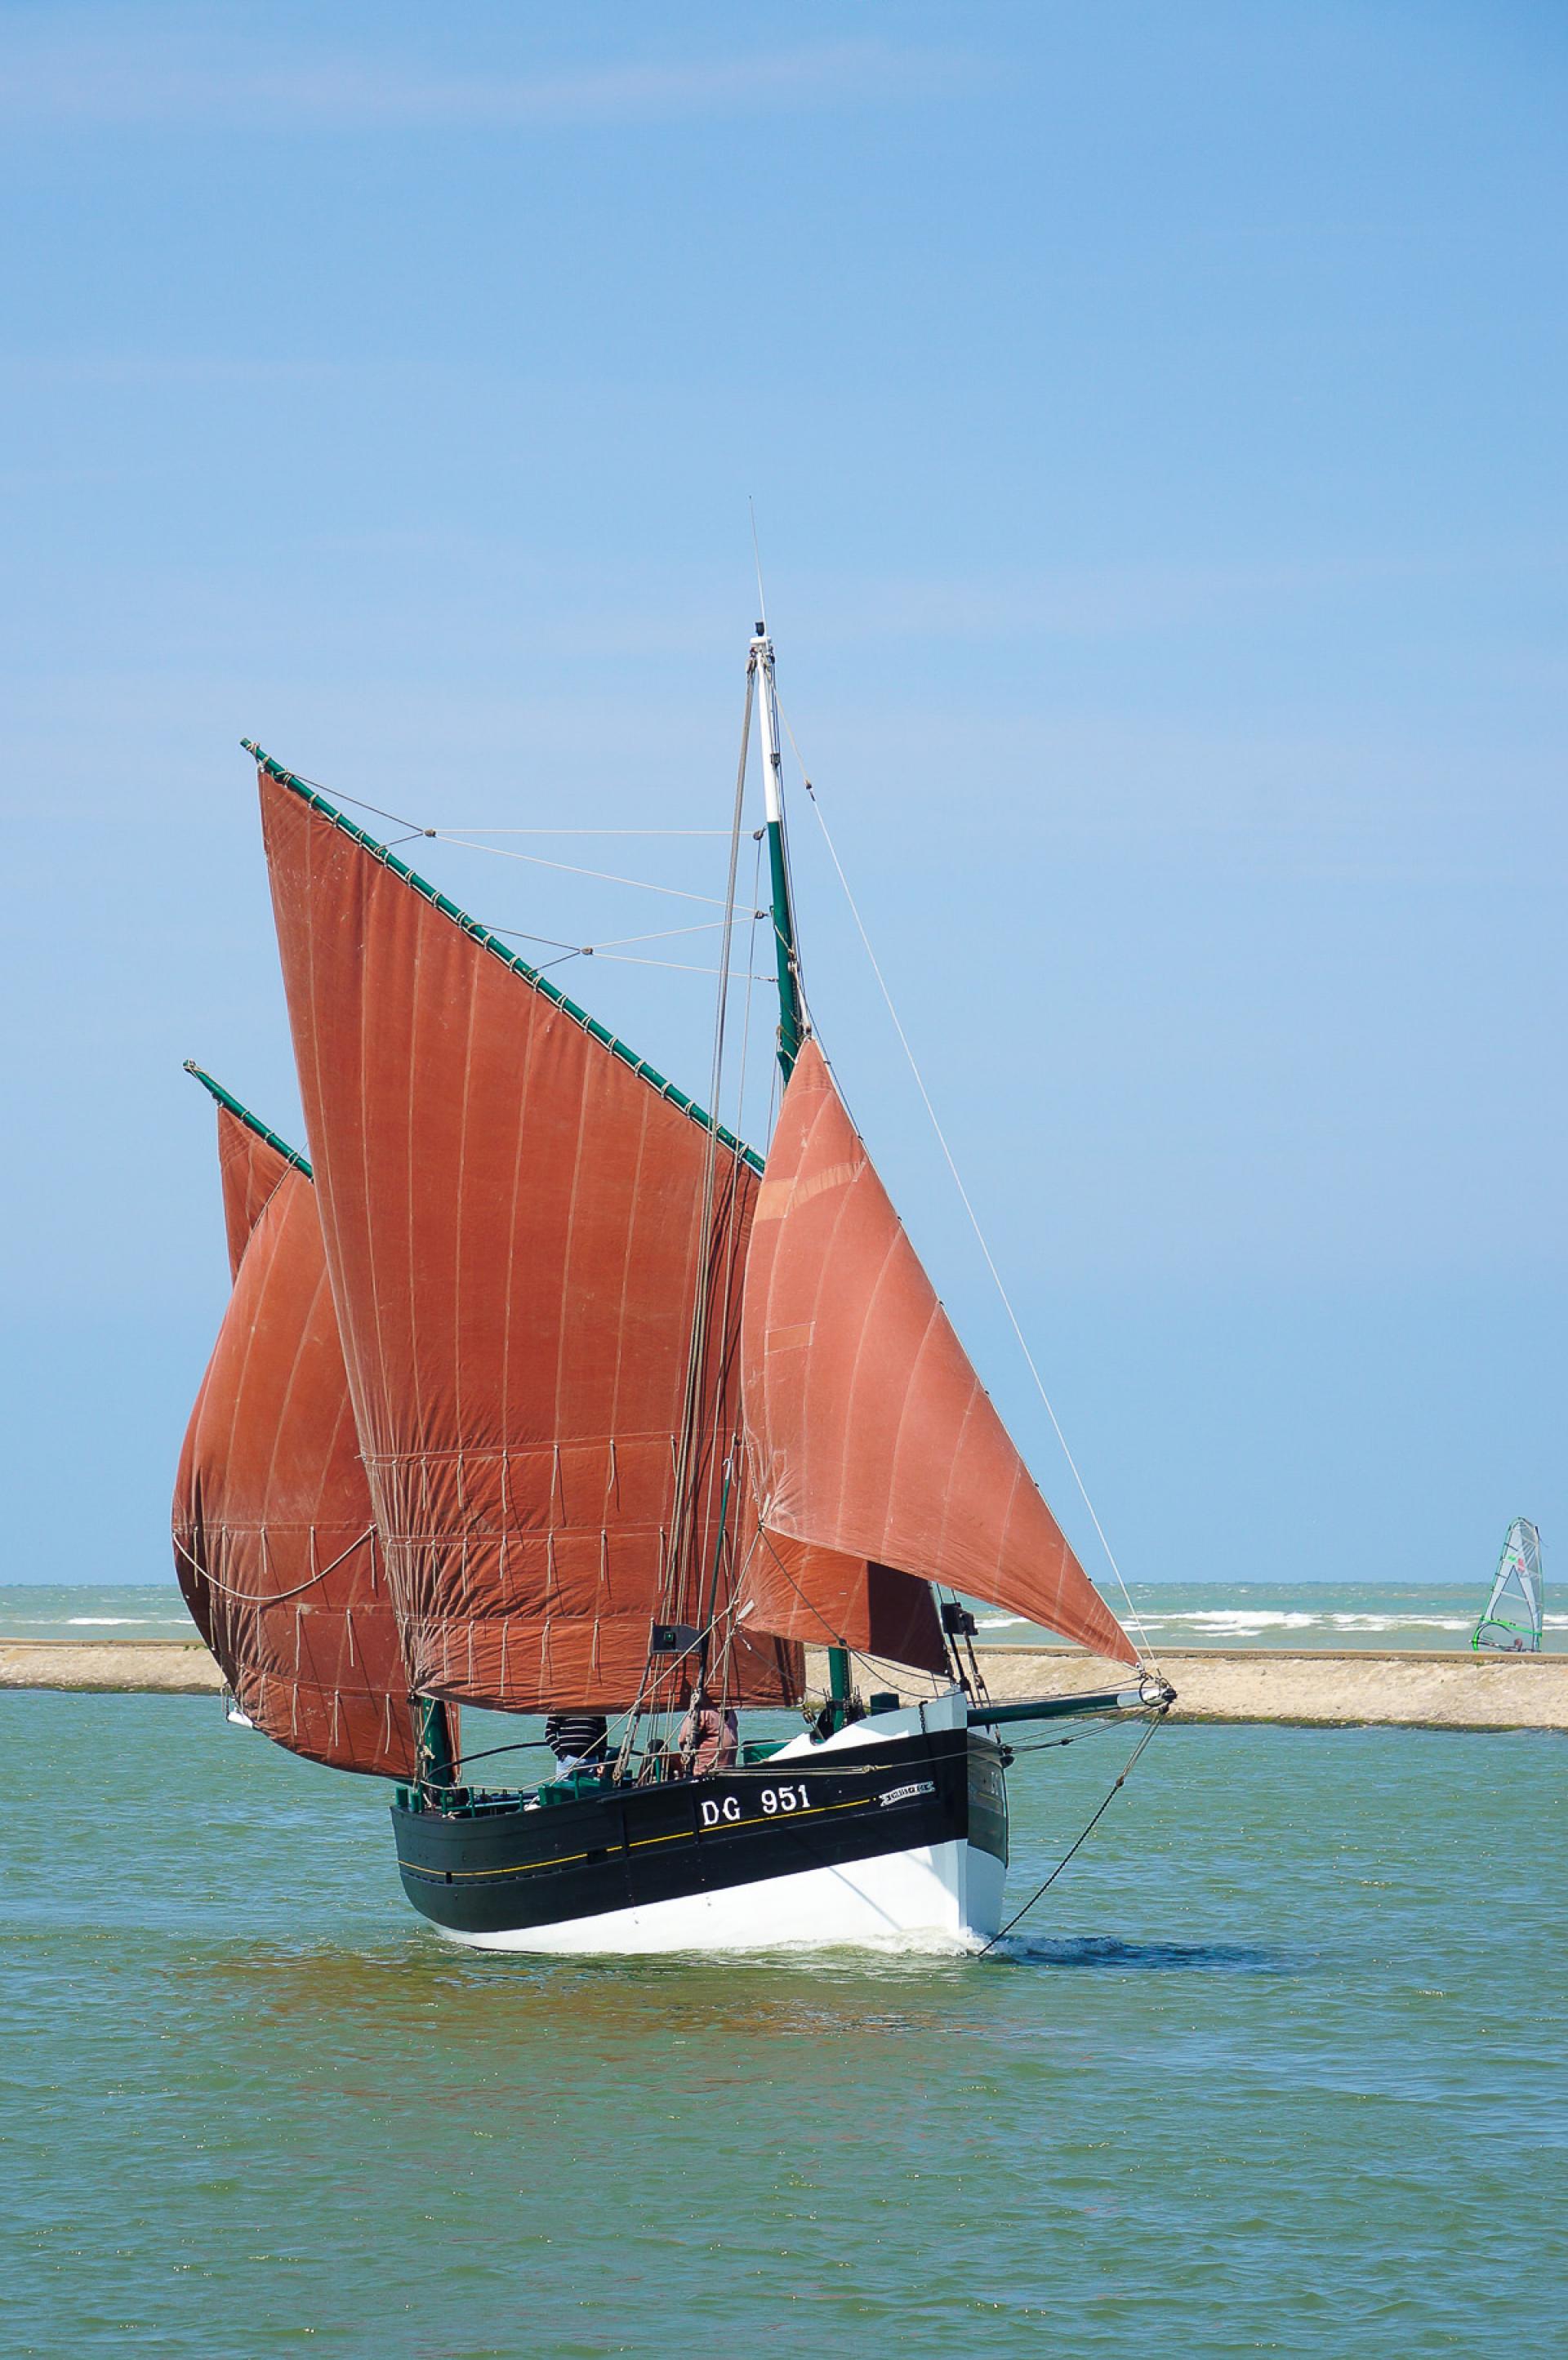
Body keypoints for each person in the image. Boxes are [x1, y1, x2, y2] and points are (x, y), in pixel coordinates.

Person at [678, 1690, 738, 1777]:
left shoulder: (731, 1712)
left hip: (727, 1773)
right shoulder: (702, 1712)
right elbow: (684, 1739)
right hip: (704, 1774)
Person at [543, 1711, 608, 1779]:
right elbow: (549, 1732)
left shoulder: (598, 1708)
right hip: (567, 1759)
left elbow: (603, 1737)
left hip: (590, 1761)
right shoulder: (560, 1706)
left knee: (588, 1785)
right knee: (563, 1785)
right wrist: (559, 1752)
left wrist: (601, 1762)